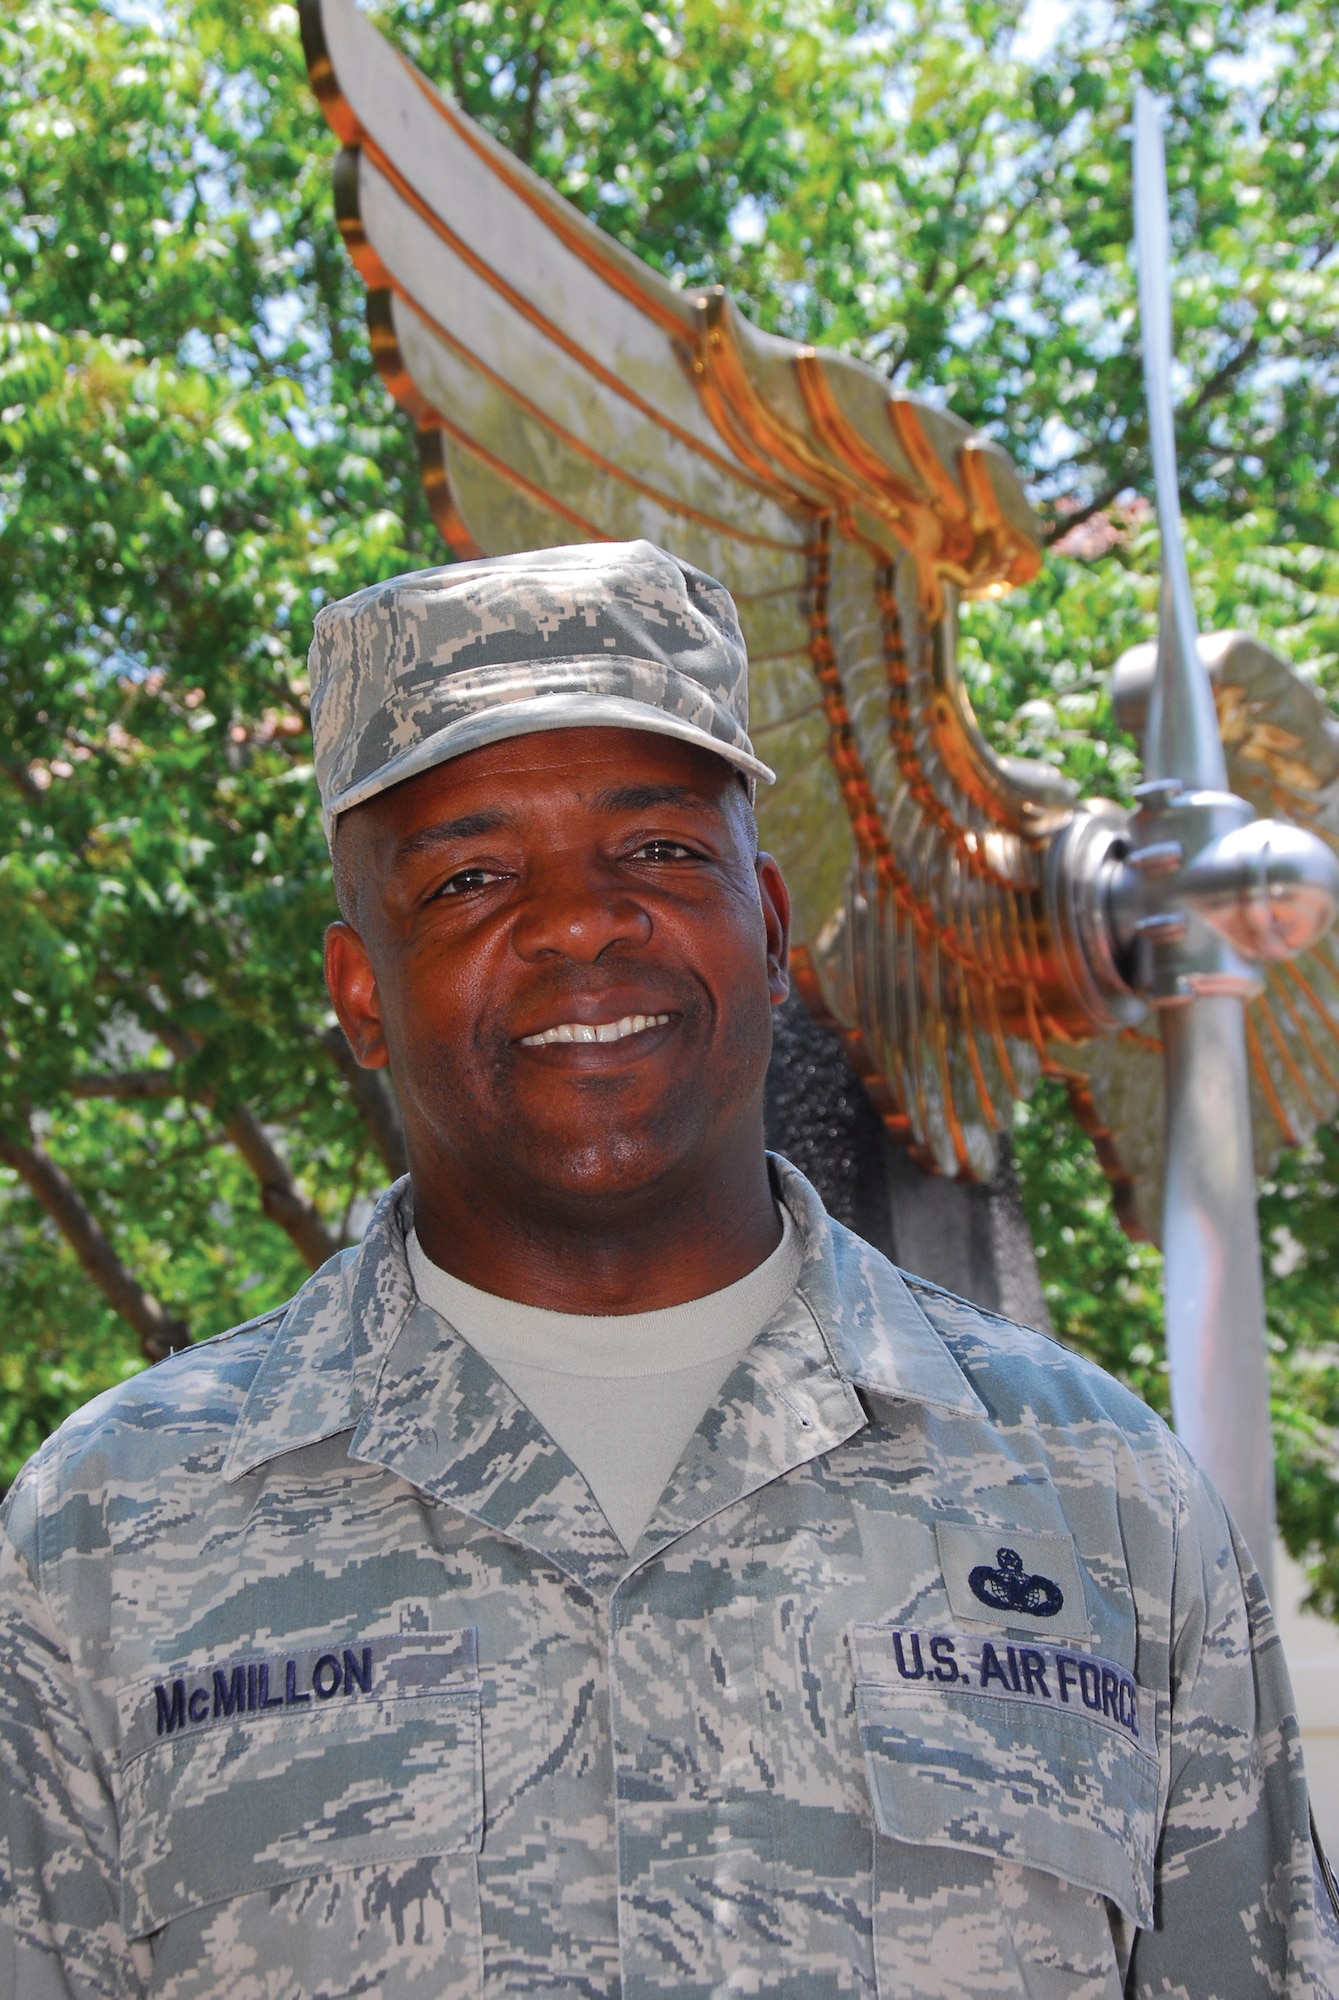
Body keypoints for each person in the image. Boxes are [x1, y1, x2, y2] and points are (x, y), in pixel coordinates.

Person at [1, 539, 1336, 2000]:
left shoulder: (1097, 1503)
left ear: (767, 931)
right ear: (362, 993)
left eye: (659, 851)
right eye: (470, 876)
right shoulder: (106, 1541)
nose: (579, 919)